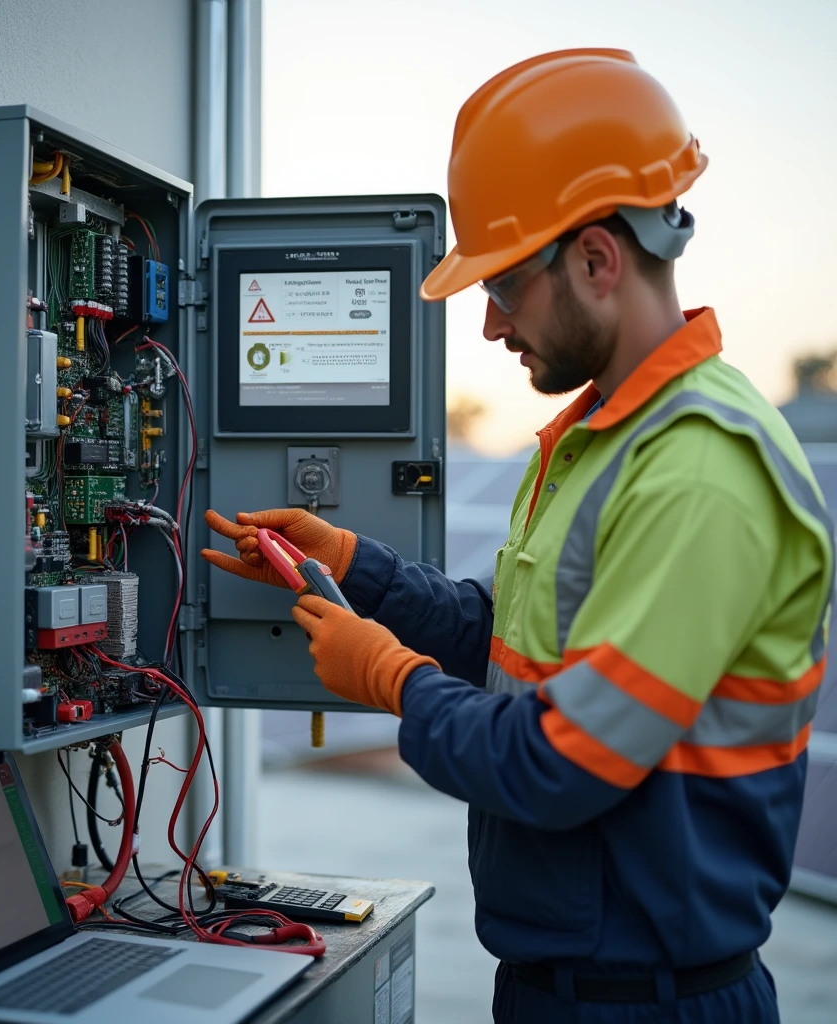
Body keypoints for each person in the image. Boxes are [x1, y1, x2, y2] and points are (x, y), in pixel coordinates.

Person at [202, 48, 834, 1023]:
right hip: (564, 985)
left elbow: (560, 759)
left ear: (594, 258)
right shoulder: (598, 439)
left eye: (502, 285)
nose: (491, 325)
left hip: (646, 1001)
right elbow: (509, 639)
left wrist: (389, 678)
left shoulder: (700, 470)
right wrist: (351, 567)